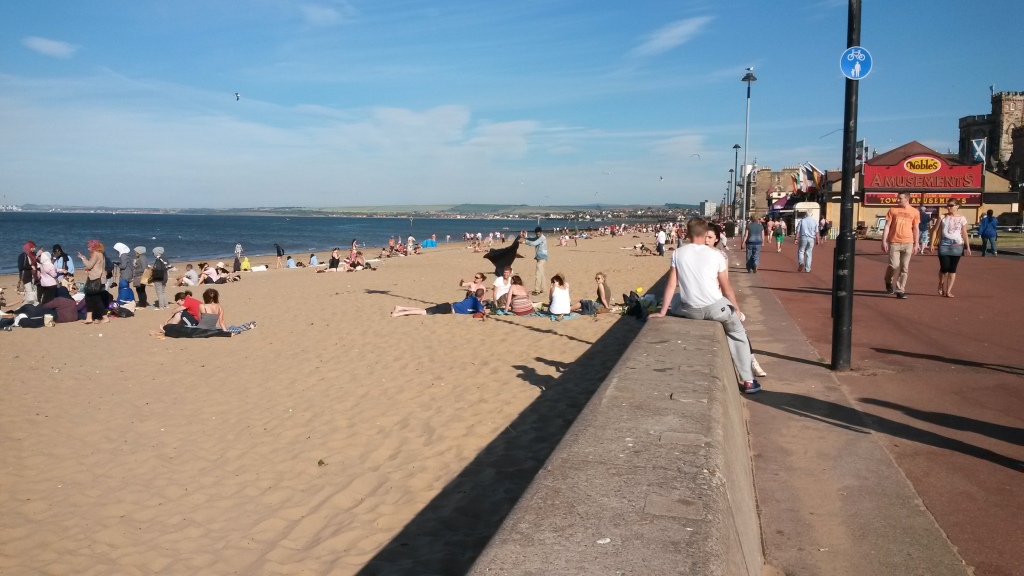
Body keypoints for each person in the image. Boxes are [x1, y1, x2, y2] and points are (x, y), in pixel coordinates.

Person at [650, 218, 760, 394]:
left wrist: (663, 312)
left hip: (690, 310)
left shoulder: (678, 253)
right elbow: (726, 288)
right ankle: (748, 381)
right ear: (704, 234)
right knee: (737, 333)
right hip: (716, 309)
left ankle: (748, 378)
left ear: (687, 234)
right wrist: (736, 308)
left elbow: (671, 285)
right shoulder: (716, 255)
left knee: (678, 298)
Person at [881, 192, 920, 299]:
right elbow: (887, 226)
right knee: (894, 265)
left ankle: (900, 290)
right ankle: (888, 280)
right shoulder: (893, 210)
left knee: (904, 268)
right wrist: (884, 241)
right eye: (897, 198)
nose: (897, 200)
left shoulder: (915, 212)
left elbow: (916, 228)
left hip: (908, 242)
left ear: (907, 199)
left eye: (900, 198)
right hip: (894, 242)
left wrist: (916, 244)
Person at [931, 200, 971, 297]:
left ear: (957, 206)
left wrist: (967, 247)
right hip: (944, 244)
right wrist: (931, 244)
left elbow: (964, 233)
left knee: (952, 269)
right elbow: (935, 230)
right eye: (947, 205)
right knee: (944, 268)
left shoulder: (962, 218)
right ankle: (941, 283)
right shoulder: (942, 217)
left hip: (957, 245)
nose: (948, 207)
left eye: (951, 205)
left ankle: (948, 291)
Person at [391, 288, 489, 319]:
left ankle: (400, 308)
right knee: (423, 312)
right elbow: (480, 312)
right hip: (448, 309)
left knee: (423, 310)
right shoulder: (478, 304)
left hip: (448, 306)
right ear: (482, 296)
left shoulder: (472, 298)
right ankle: (398, 313)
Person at [77, 240, 109, 324]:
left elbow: (89, 265)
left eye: (89, 246)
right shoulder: (101, 254)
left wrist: (83, 259)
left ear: (93, 247)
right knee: (89, 297)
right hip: (97, 278)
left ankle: (105, 317)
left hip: (95, 278)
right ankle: (89, 317)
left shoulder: (95, 254)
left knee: (96, 298)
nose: (88, 248)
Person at [523, 227, 548, 295]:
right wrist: (525, 237)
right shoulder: (538, 237)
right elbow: (533, 239)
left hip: (542, 258)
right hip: (539, 257)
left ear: (541, 232)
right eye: (536, 234)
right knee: (541, 274)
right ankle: (543, 289)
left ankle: (537, 290)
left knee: (538, 274)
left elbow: (534, 243)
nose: (537, 235)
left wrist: (524, 242)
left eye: (538, 234)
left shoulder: (542, 238)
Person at [17, 241, 38, 305]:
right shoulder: (22, 256)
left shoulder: (34, 254)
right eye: (32, 247)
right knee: (29, 291)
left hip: (34, 276)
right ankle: (30, 305)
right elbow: (20, 267)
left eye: (34, 247)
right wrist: (30, 267)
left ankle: (31, 304)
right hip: (26, 276)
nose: (33, 249)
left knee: (34, 290)